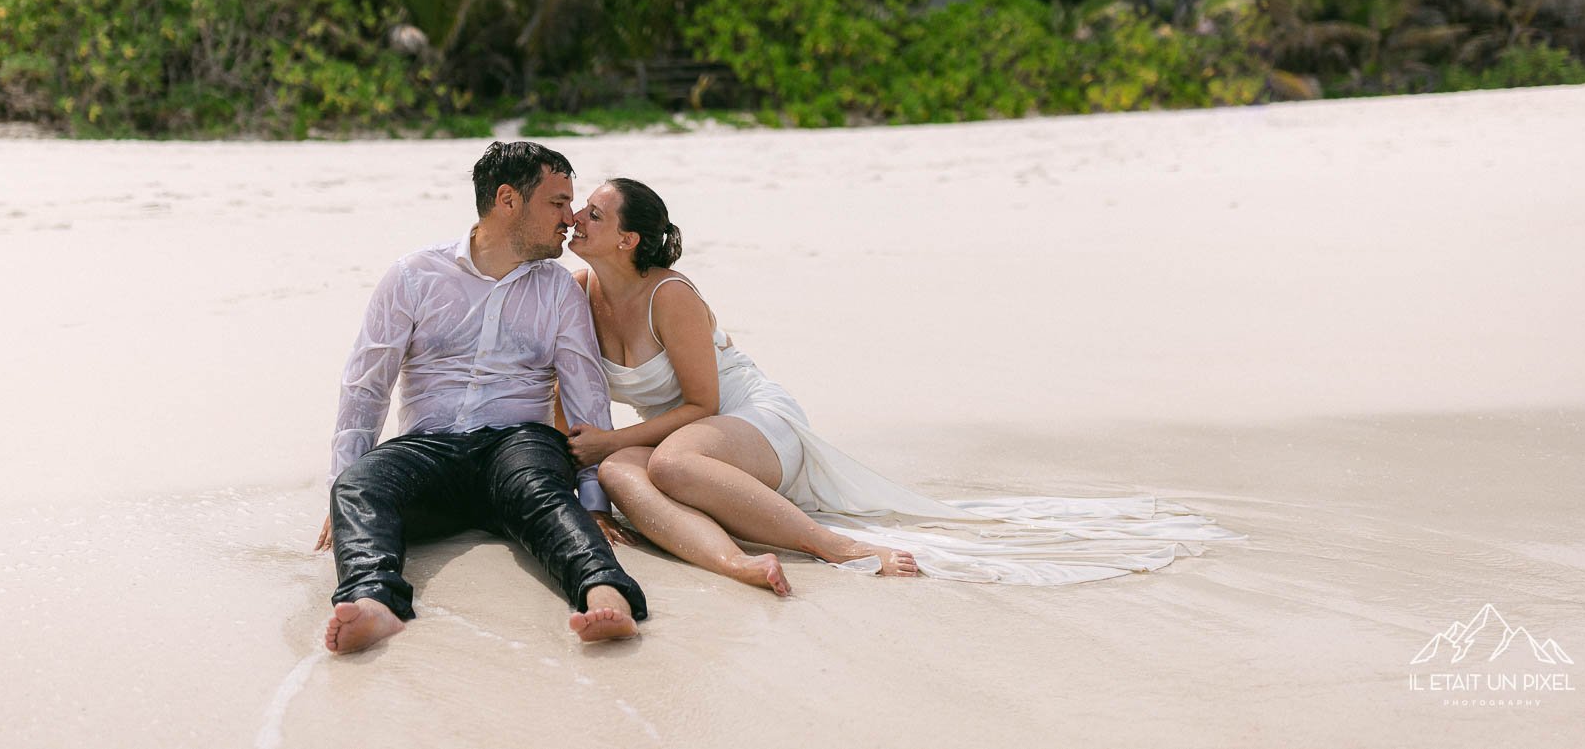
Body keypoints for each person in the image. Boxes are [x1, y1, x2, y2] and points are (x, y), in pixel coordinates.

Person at [565, 177, 1240, 592]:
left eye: (592, 211)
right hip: (686, 432)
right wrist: (601, 459)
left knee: (673, 463)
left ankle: (838, 545)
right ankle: (736, 563)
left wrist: (611, 437)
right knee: (624, 476)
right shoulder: (581, 289)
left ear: (627, 237)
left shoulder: (671, 294)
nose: (577, 220)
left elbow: (703, 403)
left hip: (748, 419)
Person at [314, 142, 647, 655]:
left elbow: (587, 400)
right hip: (429, 449)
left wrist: (594, 498)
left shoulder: (559, 290)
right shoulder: (414, 276)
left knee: (541, 490)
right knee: (358, 486)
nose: (570, 218)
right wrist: (343, 488)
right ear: (508, 200)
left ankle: (607, 595)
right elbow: (366, 385)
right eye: (557, 203)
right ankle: (373, 605)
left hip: (519, 445)